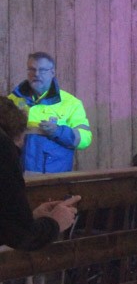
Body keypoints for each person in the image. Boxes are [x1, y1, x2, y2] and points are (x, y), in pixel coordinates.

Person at [0, 98, 80, 250]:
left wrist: (29, 218)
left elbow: (10, 228)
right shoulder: (4, 149)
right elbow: (23, 237)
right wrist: (55, 223)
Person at [8, 52, 92, 173]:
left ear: (52, 73)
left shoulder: (71, 103)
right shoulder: (12, 101)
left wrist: (58, 131)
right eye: (32, 69)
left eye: (42, 70)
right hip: (17, 177)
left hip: (54, 179)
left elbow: (85, 139)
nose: (36, 74)